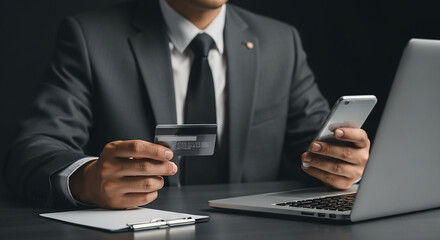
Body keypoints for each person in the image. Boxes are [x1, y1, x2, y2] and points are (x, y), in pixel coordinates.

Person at [5, 0, 370, 209]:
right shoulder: (90, 37)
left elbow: (316, 150)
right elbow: (32, 150)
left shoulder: (280, 42)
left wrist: (342, 164)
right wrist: (86, 180)